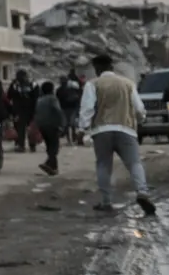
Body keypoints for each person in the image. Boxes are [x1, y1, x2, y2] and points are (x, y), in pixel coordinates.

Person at [79, 54, 156, 217]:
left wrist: (83, 128)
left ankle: (106, 201)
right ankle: (142, 192)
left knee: (103, 165)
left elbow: (87, 109)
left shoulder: (93, 84)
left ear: (97, 69)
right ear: (111, 67)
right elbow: (139, 108)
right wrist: (140, 120)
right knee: (134, 163)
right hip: (126, 129)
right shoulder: (128, 83)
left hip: (101, 130)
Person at [32, 81, 65, 176]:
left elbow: (36, 113)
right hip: (52, 125)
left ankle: (53, 168)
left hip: (42, 126)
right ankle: (48, 163)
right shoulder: (52, 98)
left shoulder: (39, 100)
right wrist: (62, 123)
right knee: (54, 147)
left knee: (49, 146)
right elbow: (58, 110)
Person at [7, 70, 36, 152]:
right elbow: (9, 96)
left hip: (29, 110)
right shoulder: (14, 85)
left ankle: (30, 145)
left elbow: (36, 96)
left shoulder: (32, 84)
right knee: (20, 128)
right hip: (19, 110)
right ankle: (21, 145)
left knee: (30, 128)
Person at [58, 75, 85, 146]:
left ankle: (70, 139)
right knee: (71, 124)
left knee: (67, 125)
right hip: (72, 108)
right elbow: (78, 97)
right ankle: (73, 138)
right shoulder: (73, 88)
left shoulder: (60, 90)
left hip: (65, 109)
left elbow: (58, 100)